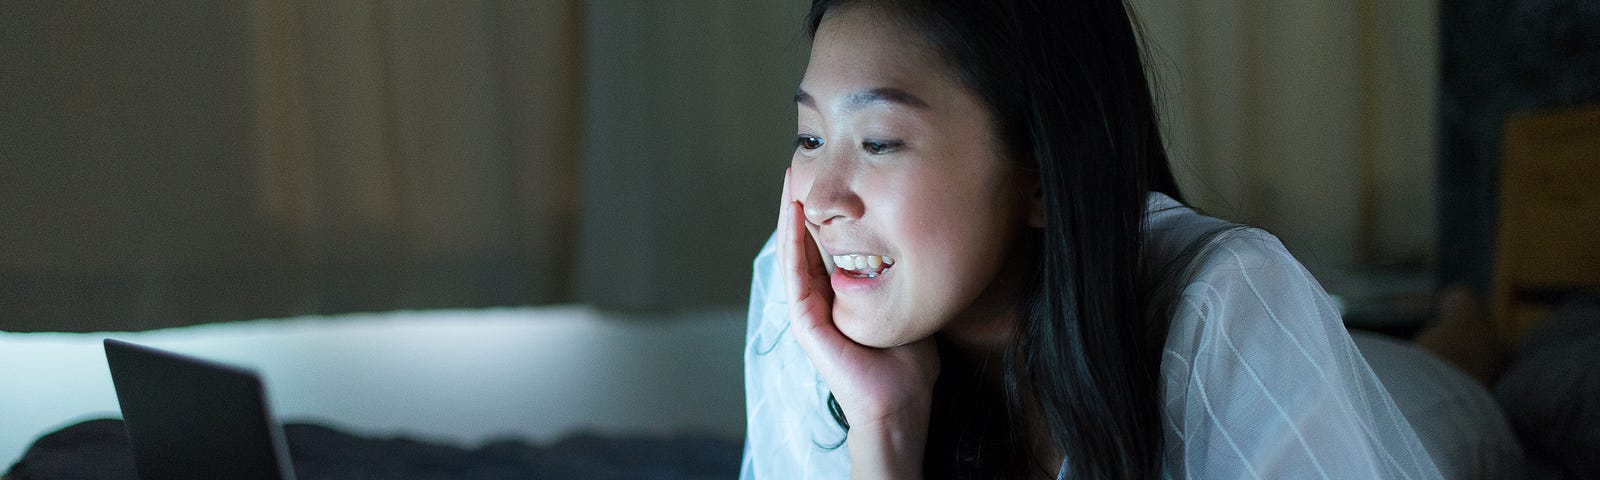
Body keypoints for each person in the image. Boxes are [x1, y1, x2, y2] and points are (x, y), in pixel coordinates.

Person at [742, 0, 1443, 478]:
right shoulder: (804, 292)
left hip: (1426, 413)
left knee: (1458, 385)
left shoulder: (1228, 298)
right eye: (810, 136)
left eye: (879, 141)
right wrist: (883, 426)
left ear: (1043, 175)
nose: (822, 201)